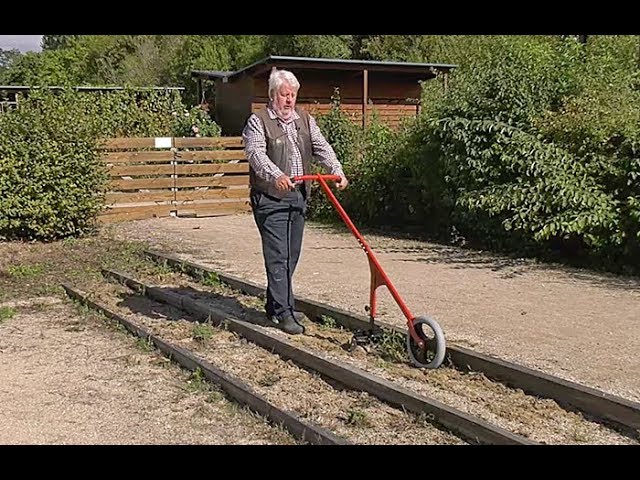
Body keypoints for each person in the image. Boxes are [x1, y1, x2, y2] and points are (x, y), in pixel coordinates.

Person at [242, 68, 348, 335]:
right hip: (270, 196)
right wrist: (276, 174)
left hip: (298, 195)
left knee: (292, 254)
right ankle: (284, 312)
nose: (289, 100)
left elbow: (321, 146)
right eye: (284, 95)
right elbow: (256, 154)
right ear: (272, 95)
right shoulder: (258, 120)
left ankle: (276, 304)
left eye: (293, 95)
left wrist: (336, 170)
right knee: (278, 255)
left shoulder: (304, 119)